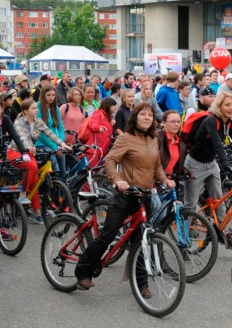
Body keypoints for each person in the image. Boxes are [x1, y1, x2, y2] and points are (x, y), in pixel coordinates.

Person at [74, 102, 175, 291]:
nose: (147, 117)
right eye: (142, 114)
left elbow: (157, 165)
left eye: (150, 115)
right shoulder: (126, 138)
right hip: (126, 195)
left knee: (141, 239)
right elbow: (110, 161)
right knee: (107, 235)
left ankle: (141, 284)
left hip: (144, 196)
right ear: (135, 117)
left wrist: (164, 179)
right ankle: (83, 271)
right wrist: (117, 180)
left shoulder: (154, 139)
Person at [183, 92, 232, 247]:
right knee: (190, 204)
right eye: (227, 105)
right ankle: (183, 241)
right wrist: (225, 165)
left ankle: (223, 233)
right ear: (219, 106)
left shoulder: (228, 122)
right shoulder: (211, 121)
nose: (231, 108)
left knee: (219, 200)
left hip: (211, 164)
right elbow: (218, 144)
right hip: (195, 164)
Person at [10, 98, 72, 224]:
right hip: (17, 152)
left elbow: (49, 133)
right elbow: (23, 137)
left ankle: (36, 211)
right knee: (32, 167)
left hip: (29, 153)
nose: (36, 110)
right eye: (33, 108)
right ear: (25, 111)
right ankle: (22, 193)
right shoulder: (19, 122)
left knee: (36, 181)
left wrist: (62, 144)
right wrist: (28, 147)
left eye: (36, 108)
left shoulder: (37, 121)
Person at [0, 98, 28, 190]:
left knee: (9, 173)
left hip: (1, 151)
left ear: (2, 109)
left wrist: (24, 152)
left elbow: (15, 136)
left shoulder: (5, 119)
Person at [36, 85, 68, 179]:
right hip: (42, 144)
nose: (51, 98)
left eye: (53, 95)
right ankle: (53, 190)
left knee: (63, 171)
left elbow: (60, 128)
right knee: (56, 170)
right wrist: (55, 147)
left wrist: (61, 144)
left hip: (56, 143)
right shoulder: (37, 108)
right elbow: (40, 134)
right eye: (48, 95)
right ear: (43, 95)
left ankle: (62, 191)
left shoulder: (55, 108)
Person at [85, 97, 115, 167]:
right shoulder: (98, 114)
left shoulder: (108, 117)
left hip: (102, 150)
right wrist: (99, 128)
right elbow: (92, 124)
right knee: (91, 173)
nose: (115, 107)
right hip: (94, 150)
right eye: (113, 105)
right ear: (108, 106)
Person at [158, 110, 186, 179]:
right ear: (164, 123)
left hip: (170, 182)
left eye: (178, 122)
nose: (176, 125)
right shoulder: (157, 137)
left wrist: (185, 171)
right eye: (173, 122)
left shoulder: (181, 144)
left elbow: (177, 165)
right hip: (155, 180)